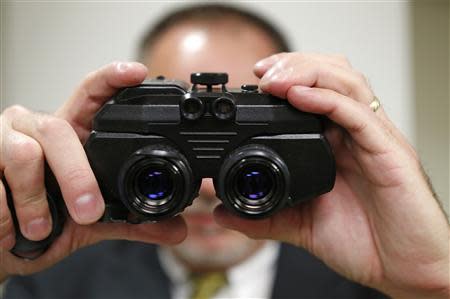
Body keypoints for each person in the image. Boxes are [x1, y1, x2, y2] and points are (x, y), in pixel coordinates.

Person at [1, 4, 448, 299]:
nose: (210, 185)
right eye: (175, 127)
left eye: (243, 127)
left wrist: (433, 282)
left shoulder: (375, 286)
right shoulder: (47, 279)